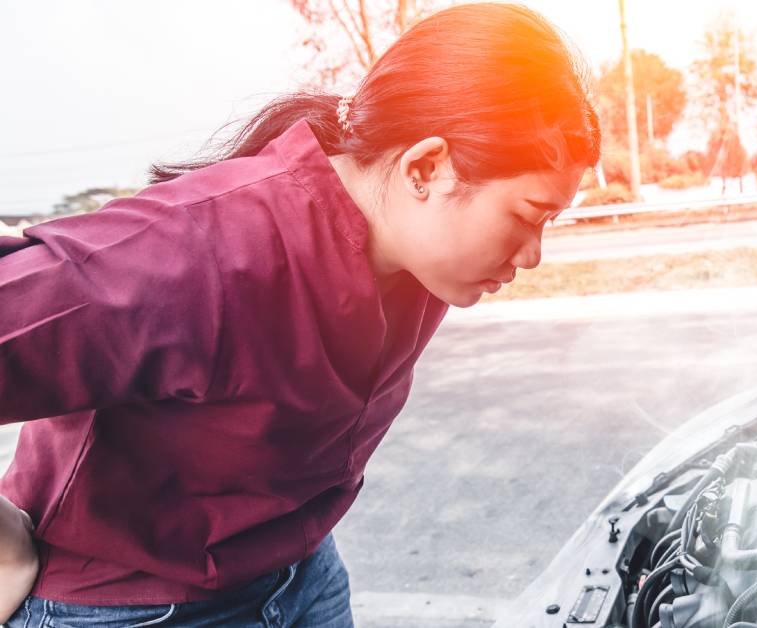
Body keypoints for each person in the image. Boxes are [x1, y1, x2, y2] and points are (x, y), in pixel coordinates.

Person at [0, 3, 600, 625]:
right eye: (527, 217)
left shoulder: (416, 258)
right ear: (425, 168)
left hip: (303, 577)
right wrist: (4, 552)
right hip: (136, 606)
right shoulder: (195, 254)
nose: (532, 255)